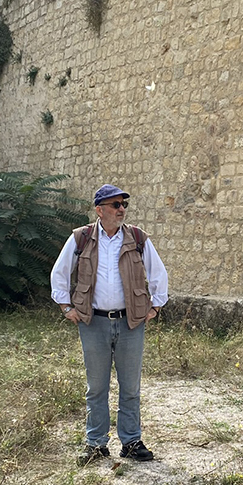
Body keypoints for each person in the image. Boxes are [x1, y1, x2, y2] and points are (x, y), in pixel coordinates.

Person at [51, 184, 169, 465]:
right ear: (99, 210)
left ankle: (130, 442)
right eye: (115, 205)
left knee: (130, 386)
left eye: (123, 205)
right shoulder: (81, 238)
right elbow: (60, 271)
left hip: (131, 322)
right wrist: (66, 306)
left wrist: (155, 306)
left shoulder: (137, 238)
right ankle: (96, 443)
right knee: (96, 386)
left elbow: (158, 272)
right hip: (93, 322)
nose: (121, 210)